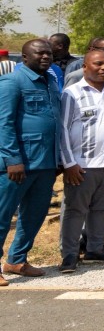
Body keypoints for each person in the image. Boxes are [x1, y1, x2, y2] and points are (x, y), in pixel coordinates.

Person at [58, 50, 104, 272]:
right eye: (98, 64)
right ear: (84, 67)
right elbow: (62, 130)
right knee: (75, 210)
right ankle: (69, 254)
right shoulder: (72, 94)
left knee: (101, 208)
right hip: (81, 166)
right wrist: (69, 163)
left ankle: (95, 249)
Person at [0, 40, 61, 284]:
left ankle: (17, 260)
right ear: (24, 57)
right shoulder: (12, 82)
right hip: (18, 164)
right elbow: (4, 123)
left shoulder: (51, 82)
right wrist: (12, 159)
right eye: (40, 53)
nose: (46, 57)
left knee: (34, 215)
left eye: (49, 53)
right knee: (3, 215)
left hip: (45, 162)